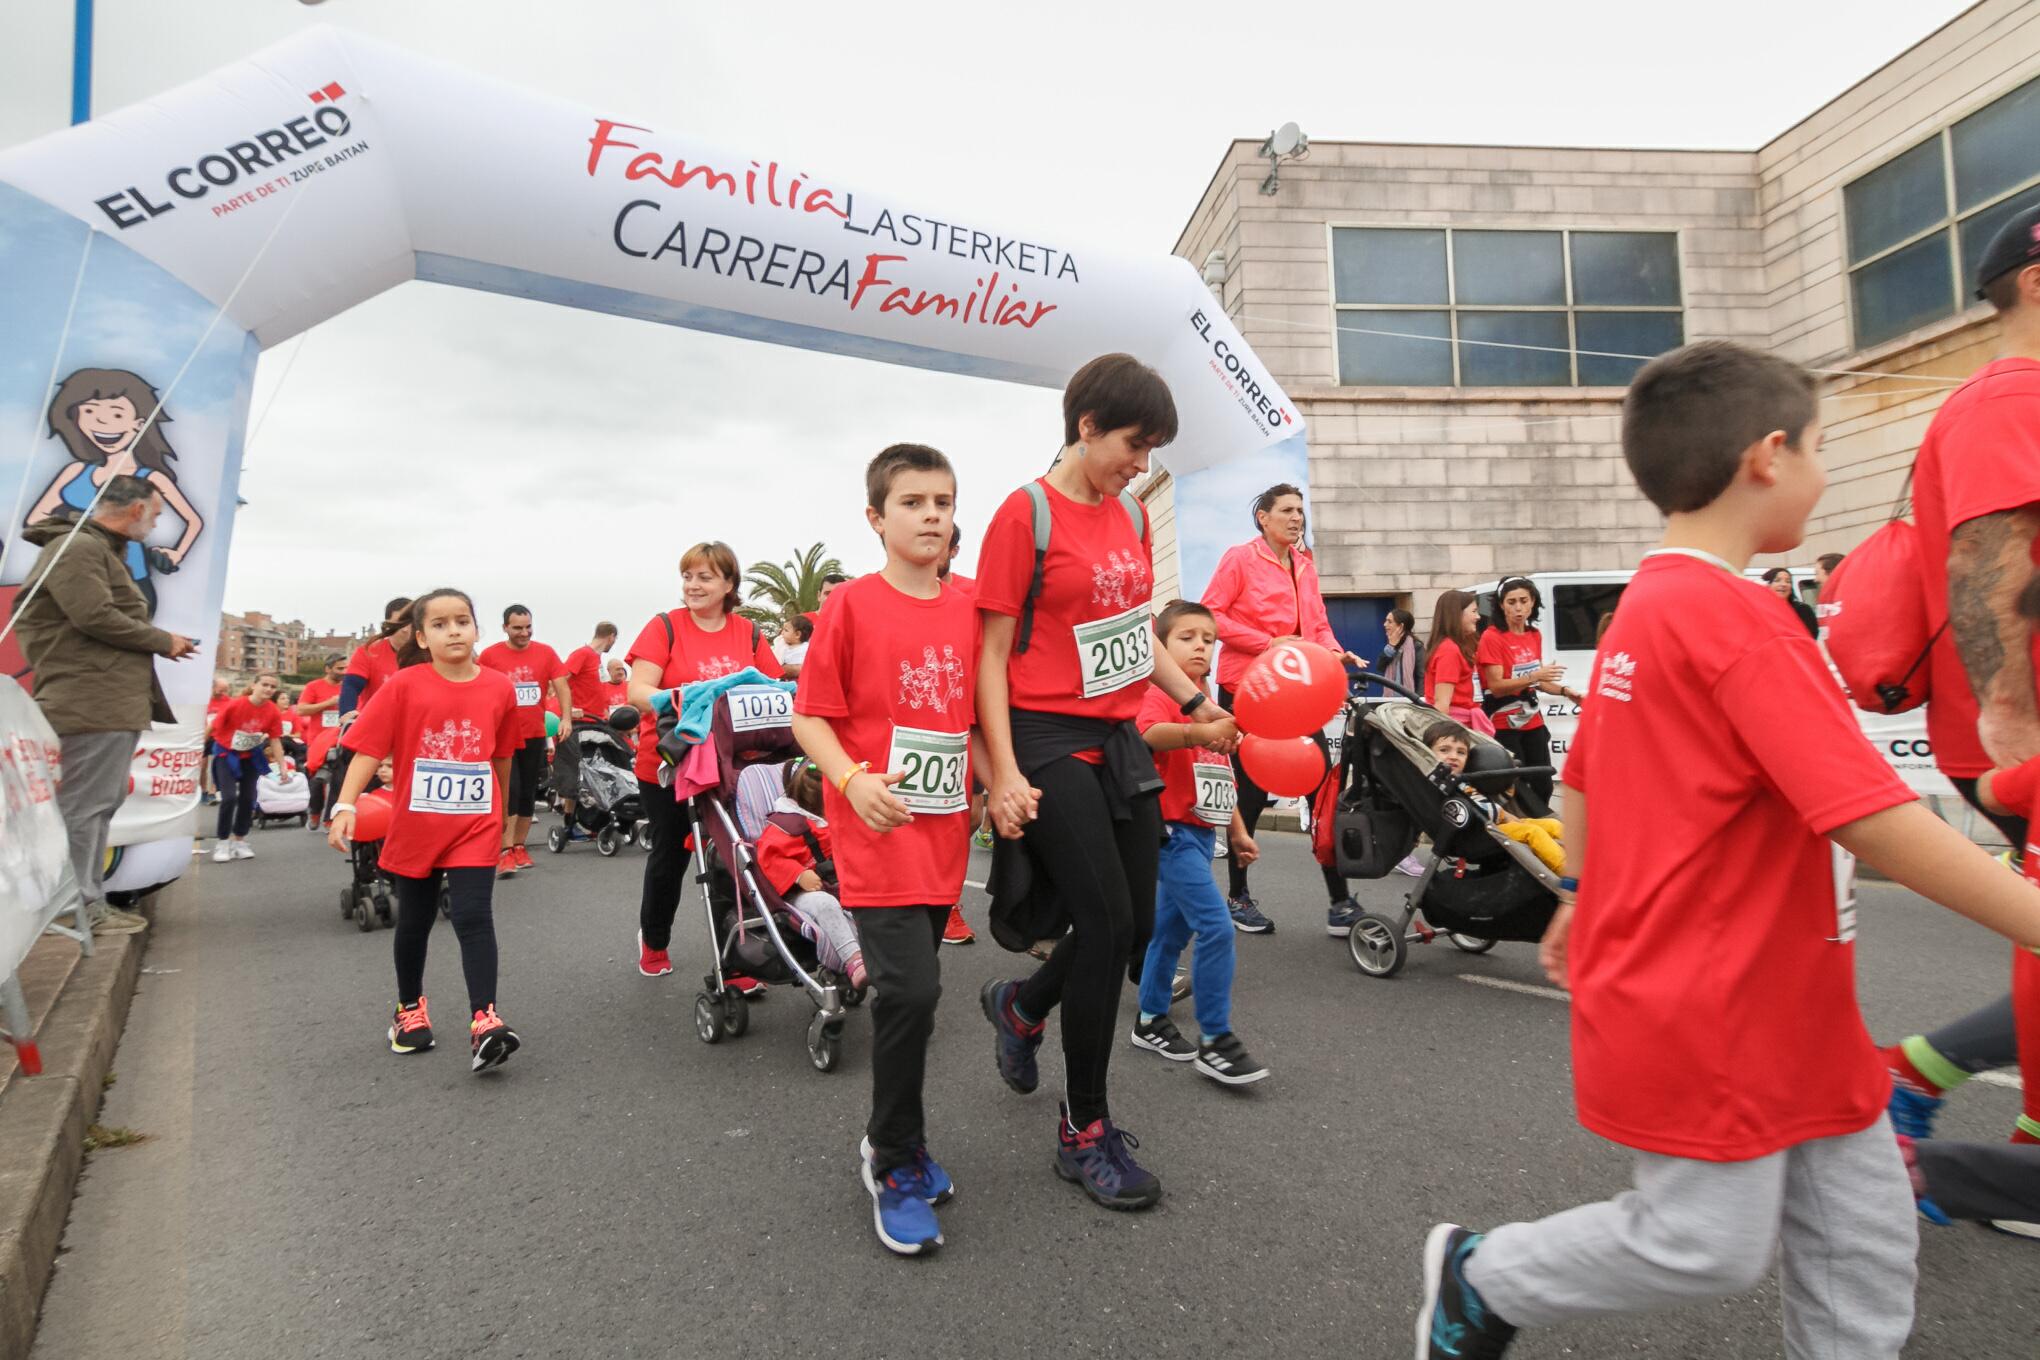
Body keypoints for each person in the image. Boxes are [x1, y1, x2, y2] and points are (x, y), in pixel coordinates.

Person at [1418, 340, 2040, 1359]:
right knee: (1704, 1243)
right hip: (1719, 996)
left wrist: (1579, 890)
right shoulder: (1737, 618)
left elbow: (1583, 780)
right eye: (1822, 449)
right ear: (1769, 454)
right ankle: (1485, 1275)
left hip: (1783, 993)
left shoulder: (1648, 608)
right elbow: (1870, 815)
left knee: (1865, 1235)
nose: (1827, 473)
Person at [975, 353, 1238, 1213]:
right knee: (1105, 918)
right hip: (1047, 736)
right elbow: (989, 656)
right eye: (1135, 442)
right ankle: (1083, 1129)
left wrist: (1197, 699)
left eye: (1154, 448)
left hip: (1119, 733)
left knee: (1128, 928)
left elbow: (1135, 632)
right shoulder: (1026, 515)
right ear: (1086, 426)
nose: (1142, 463)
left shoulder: (1126, 512)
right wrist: (1002, 770)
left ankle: (1020, 1007)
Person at [1873, 204, 2040, 1208]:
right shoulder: (2007, 398)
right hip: (2024, 741)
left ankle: (1930, 1088)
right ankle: (1926, 1154)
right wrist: (2017, 741)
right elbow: (1987, 563)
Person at [790, 442, 979, 1256]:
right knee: (909, 994)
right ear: (877, 518)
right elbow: (810, 715)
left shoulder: (975, 604)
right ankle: (892, 1155)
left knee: (919, 990)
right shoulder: (852, 607)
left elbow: (989, 706)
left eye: (943, 500)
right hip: (873, 837)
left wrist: (997, 781)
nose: (931, 514)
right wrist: (851, 780)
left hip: (945, 837)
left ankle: (899, 1138)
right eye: (913, 502)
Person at [329, 589, 523, 1073]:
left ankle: (485, 1019)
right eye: (439, 624)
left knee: (474, 916)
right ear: (421, 636)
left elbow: (502, 756)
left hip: (474, 824)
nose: (453, 630)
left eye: (462, 621)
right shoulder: (404, 685)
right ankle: (409, 1009)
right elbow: (369, 748)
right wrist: (345, 804)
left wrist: (500, 818)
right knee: (413, 922)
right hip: (417, 822)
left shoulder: (500, 687)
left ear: (477, 629)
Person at [14, 474, 200, 934]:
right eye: (155, 515)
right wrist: (163, 641)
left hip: (103, 699)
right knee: (84, 805)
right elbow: (93, 615)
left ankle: (83, 901)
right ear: (135, 509)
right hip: (89, 700)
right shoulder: (78, 548)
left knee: (98, 802)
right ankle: (76, 904)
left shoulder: (91, 549)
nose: (155, 526)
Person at [1201, 482, 1359, 936]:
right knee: (1249, 796)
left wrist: (1336, 652)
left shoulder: (1305, 566)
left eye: (1300, 512)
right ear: (1263, 518)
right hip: (1251, 687)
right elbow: (1211, 614)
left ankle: (1340, 902)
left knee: (1321, 788)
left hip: (1299, 690)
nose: (1296, 518)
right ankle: (1238, 895)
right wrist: (1268, 642)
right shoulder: (1240, 558)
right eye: (1287, 510)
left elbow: (1318, 627)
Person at [627, 542, 781, 978]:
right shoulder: (665, 627)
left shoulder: (748, 633)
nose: (693, 586)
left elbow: (769, 689)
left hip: (732, 762)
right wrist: (686, 697)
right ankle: (654, 938)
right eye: (688, 576)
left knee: (732, 855)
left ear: (729, 584)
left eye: (705, 577)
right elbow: (638, 691)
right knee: (673, 856)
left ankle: (738, 957)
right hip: (668, 764)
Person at [1129, 600, 1267, 1086]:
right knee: (1216, 927)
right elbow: (1148, 733)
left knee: (1170, 932)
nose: (1200, 647)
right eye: (1186, 638)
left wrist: (1238, 830)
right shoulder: (1163, 693)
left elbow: (1219, 773)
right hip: (1169, 832)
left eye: (1208, 640)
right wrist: (1198, 730)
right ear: (1161, 649)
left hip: (1203, 832)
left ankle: (1149, 1020)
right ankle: (1216, 1039)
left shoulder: (1210, 701)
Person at [26, 368, 206, 616]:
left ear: (138, 424)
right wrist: (80, 528)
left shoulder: (150, 478)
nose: (101, 422)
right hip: (75, 575)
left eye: (117, 413)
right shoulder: (76, 471)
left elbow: (193, 521)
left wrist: (176, 553)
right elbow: (36, 519)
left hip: (129, 581)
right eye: (89, 412)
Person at [752, 757, 866, 988]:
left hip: (835, 881)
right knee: (825, 904)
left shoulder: (829, 820)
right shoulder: (786, 826)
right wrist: (797, 874)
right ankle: (854, 960)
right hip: (799, 893)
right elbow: (770, 857)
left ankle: (877, 951)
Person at [478, 605, 572, 875]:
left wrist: (565, 718)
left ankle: (519, 846)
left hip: (534, 734)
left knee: (529, 792)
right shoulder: (490, 655)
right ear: (505, 628)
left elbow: (562, 685)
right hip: (502, 737)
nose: (524, 632)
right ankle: (504, 851)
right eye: (517, 627)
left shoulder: (545, 653)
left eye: (528, 626)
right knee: (511, 791)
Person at [1476, 577, 1583, 807]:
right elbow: (1496, 685)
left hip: (1532, 719)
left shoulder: (1534, 634)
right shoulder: (1492, 637)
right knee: (1516, 783)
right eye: (1511, 602)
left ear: (1532, 602)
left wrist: (1566, 691)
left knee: (1543, 781)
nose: (1518, 608)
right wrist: (1534, 676)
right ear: (1501, 605)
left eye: (1523, 601)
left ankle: (1541, 821)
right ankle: (1524, 831)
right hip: (1503, 721)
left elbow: (1538, 681)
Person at [1424, 719, 1565, 873]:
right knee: (1533, 833)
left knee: (1553, 824)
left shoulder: (1464, 781)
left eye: (1461, 752)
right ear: (1428, 753)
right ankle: (1567, 871)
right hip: (1478, 835)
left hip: (1496, 824)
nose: (1453, 756)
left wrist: (1510, 817)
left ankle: (1586, 856)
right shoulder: (1439, 785)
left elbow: (1487, 805)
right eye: (1444, 750)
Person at [207, 672, 287, 862]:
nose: (268, 689)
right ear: (254, 685)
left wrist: (282, 766)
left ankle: (239, 840)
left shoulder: (273, 711)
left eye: (272, 687)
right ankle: (223, 842)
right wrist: (196, 751)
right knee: (228, 798)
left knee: (248, 798)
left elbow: (275, 740)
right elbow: (213, 727)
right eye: (265, 684)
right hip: (226, 754)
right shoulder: (235, 704)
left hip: (250, 756)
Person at [339, 597, 415, 718]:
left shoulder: (431, 654)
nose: (406, 629)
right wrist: (346, 715)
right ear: (388, 625)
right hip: (375, 721)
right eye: (400, 623)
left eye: (410, 622)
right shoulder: (369, 652)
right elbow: (351, 686)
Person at [297, 656, 347, 829]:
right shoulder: (313, 686)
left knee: (337, 781)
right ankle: (315, 812)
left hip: (340, 740)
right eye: (339, 669)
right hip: (318, 741)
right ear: (328, 669)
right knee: (318, 781)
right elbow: (301, 709)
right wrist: (329, 703)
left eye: (345, 668)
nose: (343, 672)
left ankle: (330, 819)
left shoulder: (347, 687)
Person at [1423, 590, 1485, 728]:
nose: (1478, 617)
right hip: (1456, 727)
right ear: (1457, 614)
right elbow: (1442, 703)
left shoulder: (1453, 647)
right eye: (1474, 611)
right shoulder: (1449, 650)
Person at [1760, 565, 1818, 637]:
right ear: (1767, 586)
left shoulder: (1802, 610)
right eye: (1777, 580)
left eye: (1788, 581)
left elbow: (1811, 635)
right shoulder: (1759, 611)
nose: (1783, 584)